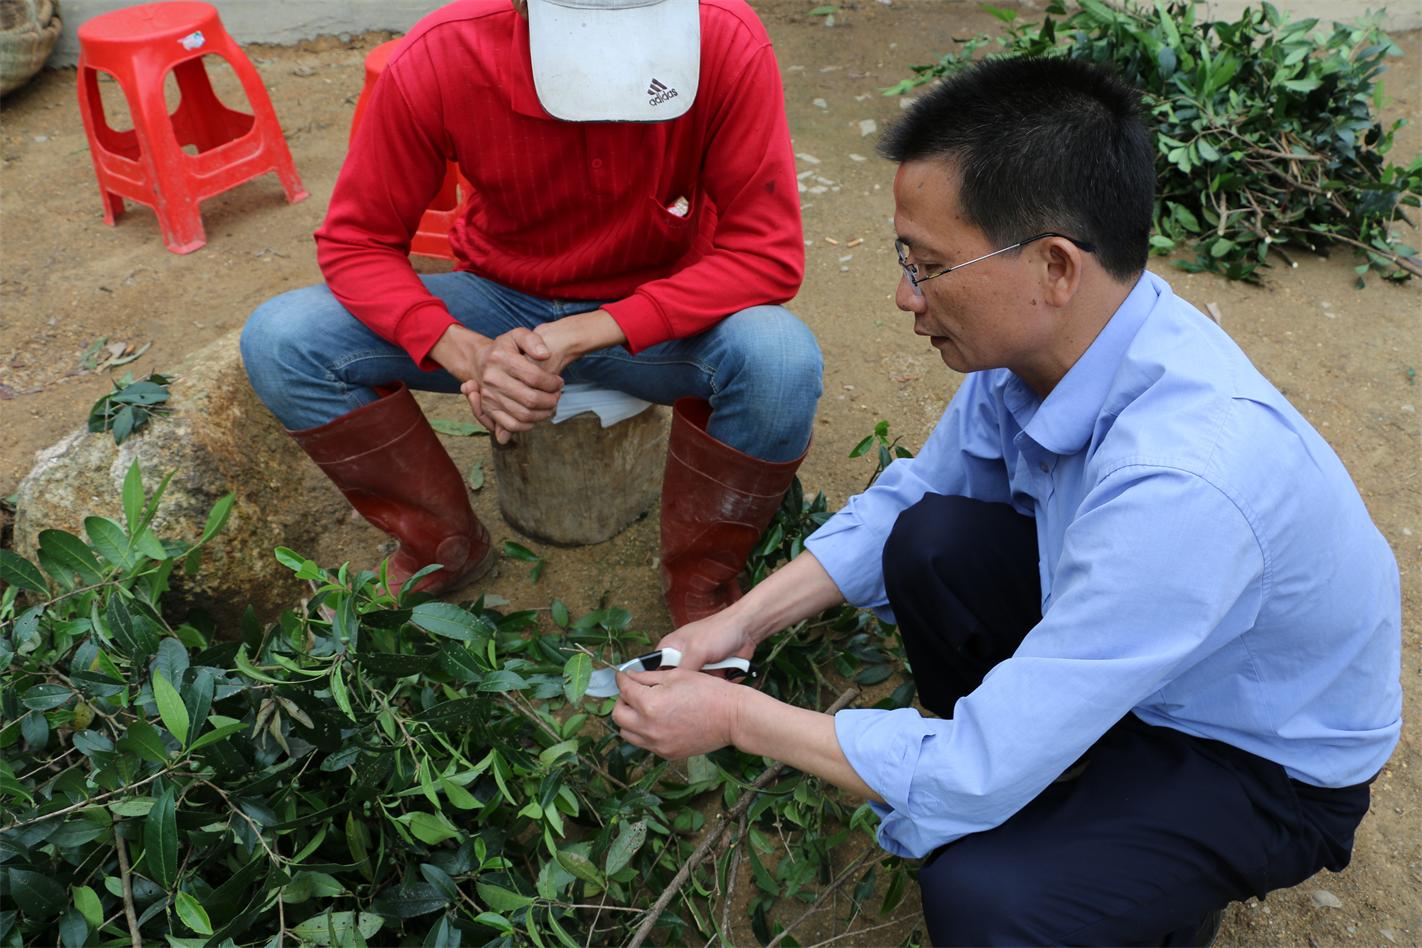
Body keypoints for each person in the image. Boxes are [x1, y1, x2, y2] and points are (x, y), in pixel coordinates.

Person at [611, 57, 1402, 945]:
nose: (906, 295)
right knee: (931, 538)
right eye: (904, 255)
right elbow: (916, 494)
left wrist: (736, 717)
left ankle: (1148, 897)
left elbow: (983, 763)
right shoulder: (1049, 346)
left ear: (1055, 266)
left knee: (989, 901)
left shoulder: (1185, 482)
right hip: (1147, 662)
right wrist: (742, 626)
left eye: (932, 265)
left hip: (1252, 754)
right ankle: (1062, 791)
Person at [240, 0, 822, 623]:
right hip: (499, 298)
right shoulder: (445, 51)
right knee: (283, 338)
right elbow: (357, 241)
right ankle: (444, 547)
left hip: (657, 314)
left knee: (780, 357)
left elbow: (767, 253)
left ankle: (703, 580)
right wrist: (468, 352)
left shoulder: (723, 39)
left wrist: (586, 332)